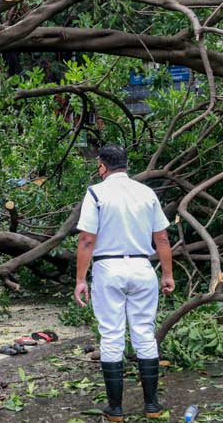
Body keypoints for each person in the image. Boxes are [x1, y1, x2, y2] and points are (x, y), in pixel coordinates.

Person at [73, 145, 174, 421]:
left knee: (112, 335)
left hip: (109, 267)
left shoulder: (96, 193)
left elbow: (87, 240)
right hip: (143, 266)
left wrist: (81, 279)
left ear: (102, 166)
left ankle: (115, 409)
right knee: (144, 333)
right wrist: (167, 274)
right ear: (126, 165)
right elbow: (162, 238)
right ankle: (152, 405)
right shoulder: (146, 193)